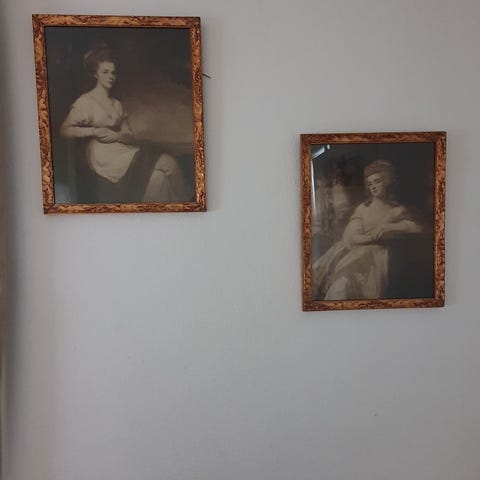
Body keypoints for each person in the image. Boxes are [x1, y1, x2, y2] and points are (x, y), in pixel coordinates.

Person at [60, 45, 189, 204]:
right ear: (95, 74)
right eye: (105, 72)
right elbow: (65, 130)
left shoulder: (116, 104)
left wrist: (116, 136)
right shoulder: (86, 102)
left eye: (113, 72)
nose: (110, 76)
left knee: (159, 179)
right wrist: (95, 131)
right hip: (103, 157)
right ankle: (188, 204)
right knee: (167, 164)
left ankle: (183, 208)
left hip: (122, 149)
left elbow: (129, 135)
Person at [312, 159, 422, 300]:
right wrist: (372, 237)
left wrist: (389, 227)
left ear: (387, 182)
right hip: (354, 252)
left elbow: (416, 227)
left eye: (377, 182)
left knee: (355, 285)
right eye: (370, 184)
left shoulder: (397, 210)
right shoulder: (364, 209)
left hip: (376, 256)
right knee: (339, 284)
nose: (373, 187)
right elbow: (351, 236)